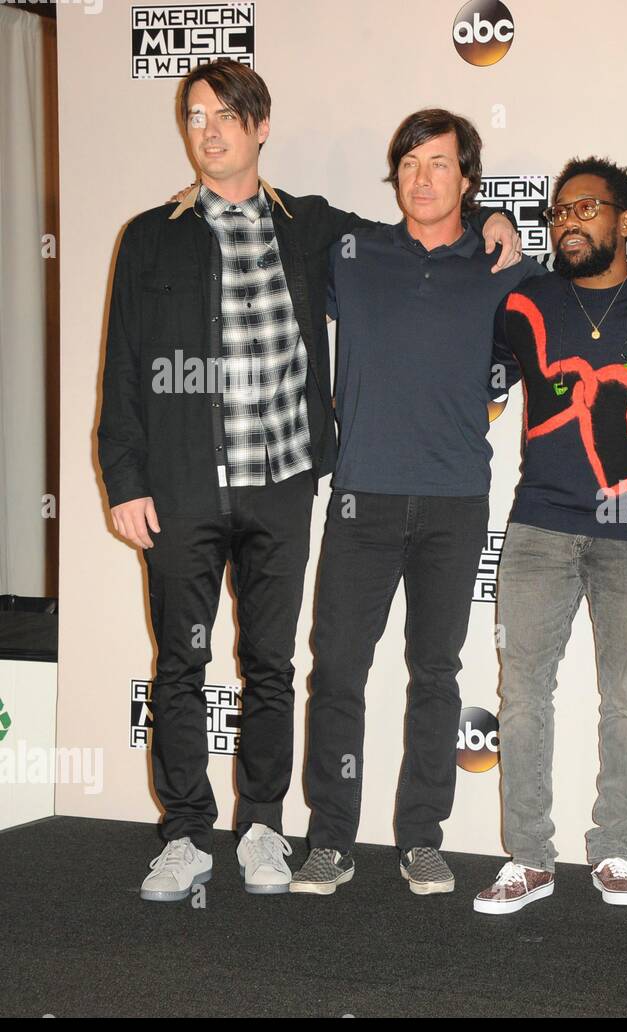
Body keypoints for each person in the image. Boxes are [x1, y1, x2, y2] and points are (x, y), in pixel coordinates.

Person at [98, 60, 518, 903]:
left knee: (272, 665)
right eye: (194, 116)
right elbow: (125, 366)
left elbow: (425, 231)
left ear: (260, 128)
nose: (208, 130)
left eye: (225, 115)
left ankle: (260, 825)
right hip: (180, 489)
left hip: (284, 486)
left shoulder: (317, 228)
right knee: (180, 667)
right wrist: (124, 476)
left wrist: (498, 217)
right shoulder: (150, 234)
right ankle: (184, 832)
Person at [289, 109, 541, 896]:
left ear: (468, 179)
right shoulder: (354, 254)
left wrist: (505, 224)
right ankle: (329, 838)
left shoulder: (505, 269)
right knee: (336, 672)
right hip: (361, 495)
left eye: (440, 165)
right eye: (409, 163)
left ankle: (421, 838)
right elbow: (285, 223)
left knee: (436, 673)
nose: (421, 179)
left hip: (455, 501)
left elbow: (582, 303)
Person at [472, 157, 627, 915]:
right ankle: (529, 858)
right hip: (539, 527)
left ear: (626, 221)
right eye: (558, 211)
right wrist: (490, 215)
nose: (568, 221)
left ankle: (613, 849)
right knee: (521, 697)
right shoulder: (525, 299)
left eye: (588, 207)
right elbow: (473, 375)